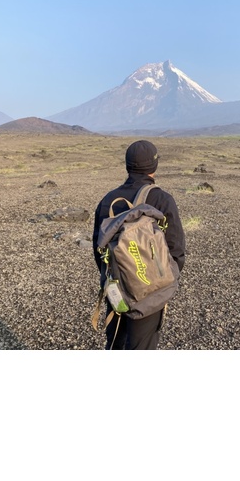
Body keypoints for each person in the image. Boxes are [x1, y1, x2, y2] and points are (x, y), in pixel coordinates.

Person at [92, 140, 185, 350]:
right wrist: (162, 283)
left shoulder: (108, 200)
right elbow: (176, 251)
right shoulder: (162, 199)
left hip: (115, 287)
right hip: (150, 293)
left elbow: (98, 250)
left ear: (127, 166)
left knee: (116, 341)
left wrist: (117, 278)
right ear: (155, 166)